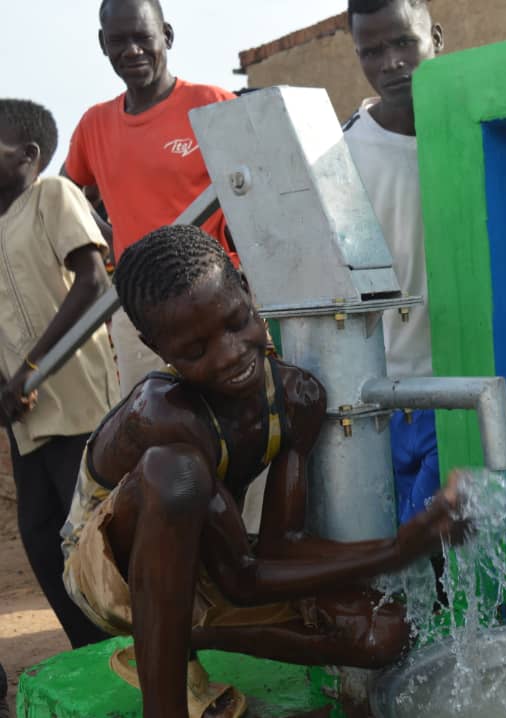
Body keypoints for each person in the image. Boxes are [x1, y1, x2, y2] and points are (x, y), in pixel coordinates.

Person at [61, 225, 470, 718]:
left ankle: (167, 637)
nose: (230, 352)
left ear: (245, 287)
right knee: (176, 473)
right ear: (157, 347)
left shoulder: (296, 398)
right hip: (109, 572)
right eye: (196, 351)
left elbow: (282, 547)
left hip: (207, 558)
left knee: (382, 632)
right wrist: (396, 550)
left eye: (237, 322)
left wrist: (409, 548)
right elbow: (243, 581)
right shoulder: (163, 414)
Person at [61, 0, 236, 395]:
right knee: (153, 424)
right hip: (137, 309)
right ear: (103, 44)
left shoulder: (211, 103)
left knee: (234, 423)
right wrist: (112, 237)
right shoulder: (94, 124)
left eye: (143, 37)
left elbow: (261, 190)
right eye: (119, 40)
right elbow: (65, 195)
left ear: (167, 36)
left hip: (214, 296)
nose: (132, 50)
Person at [0, 99, 116, 650]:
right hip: (22, 415)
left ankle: (132, 649)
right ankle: (88, 653)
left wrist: (31, 369)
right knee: (41, 535)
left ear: (29, 154)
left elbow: (93, 280)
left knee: (90, 533)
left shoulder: (51, 195)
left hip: (75, 399)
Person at [344, 0, 444, 525]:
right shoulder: (339, 157)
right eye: (373, 51)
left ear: (436, 38)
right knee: (396, 567)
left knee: (458, 565)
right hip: (378, 401)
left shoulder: (473, 132)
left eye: (404, 42)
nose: (391, 63)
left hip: (460, 390)